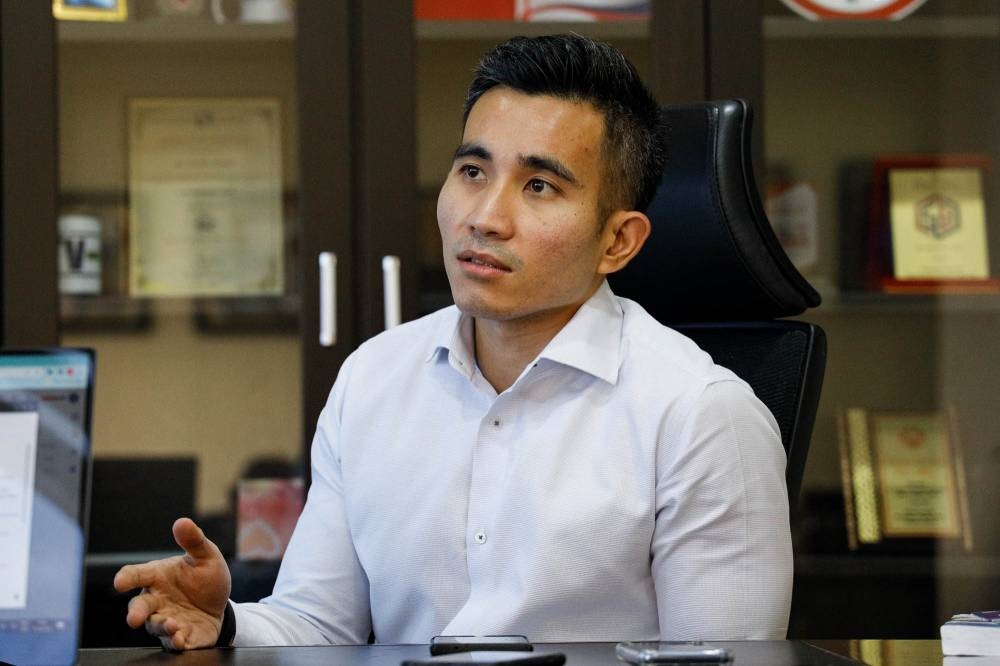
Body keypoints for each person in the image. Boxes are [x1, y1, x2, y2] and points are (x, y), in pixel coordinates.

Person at [114, 34, 792, 650]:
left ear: (618, 241)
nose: (485, 218)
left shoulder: (702, 416)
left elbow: (721, 662)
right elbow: (320, 624)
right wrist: (226, 620)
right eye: (472, 172)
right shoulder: (373, 377)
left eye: (538, 186)